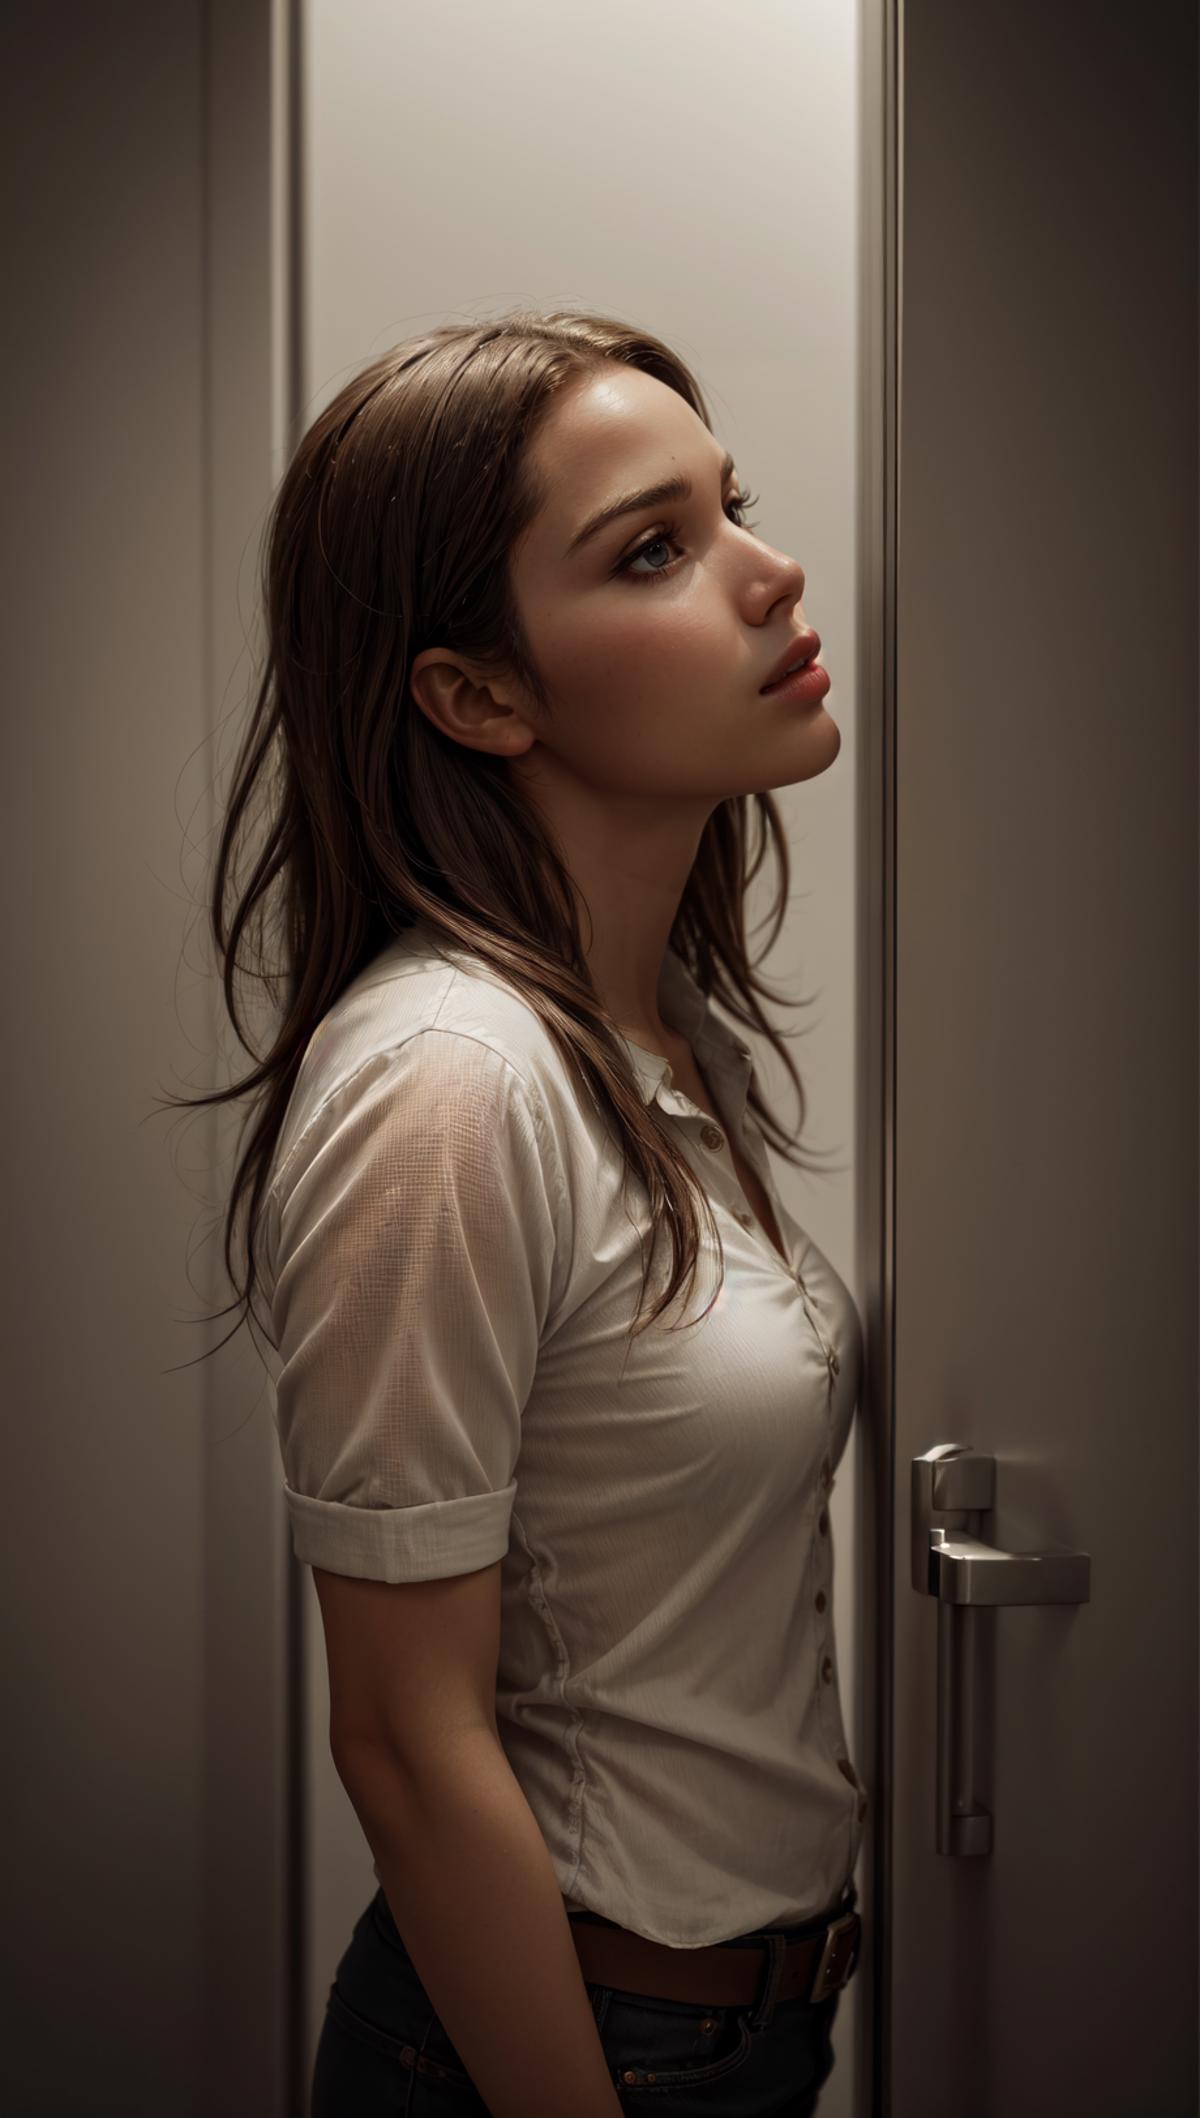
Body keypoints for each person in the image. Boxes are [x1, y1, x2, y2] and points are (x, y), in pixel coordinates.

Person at [180, 309, 866, 2115]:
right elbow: (406, 1740)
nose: (770, 571)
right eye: (656, 550)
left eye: (731, 508)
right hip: (568, 2053)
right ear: (476, 694)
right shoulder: (450, 1079)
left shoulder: (648, 1035)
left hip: (733, 2030)